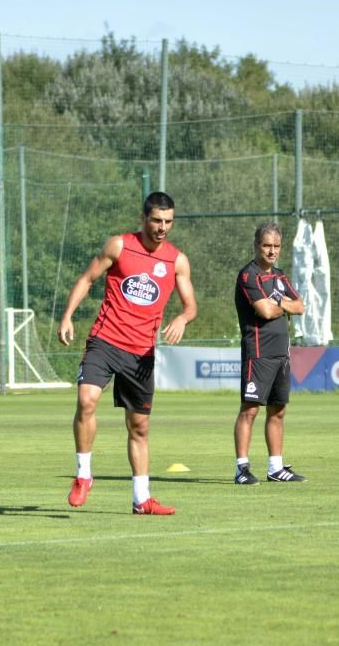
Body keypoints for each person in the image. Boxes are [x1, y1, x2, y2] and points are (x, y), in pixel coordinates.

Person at [57, 191, 197, 515]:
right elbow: (87, 278)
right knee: (86, 400)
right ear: (143, 219)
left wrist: (181, 317)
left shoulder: (176, 260)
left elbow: (191, 306)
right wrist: (67, 316)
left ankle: (141, 499)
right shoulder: (119, 245)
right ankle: (83, 475)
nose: (162, 227)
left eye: (168, 222)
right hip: (105, 340)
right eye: (157, 220)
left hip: (141, 354)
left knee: (139, 427)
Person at [233, 221, 306, 485]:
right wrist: (281, 304)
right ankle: (241, 468)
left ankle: (275, 467)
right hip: (258, 352)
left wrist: (278, 303)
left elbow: (300, 306)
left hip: (281, 354)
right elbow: (263, 311)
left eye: (276, 246)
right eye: (266, 245)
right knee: (250, 410)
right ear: (256, 246)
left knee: (278, 410)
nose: (271, 251)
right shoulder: (248, 276)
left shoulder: (280, 276)